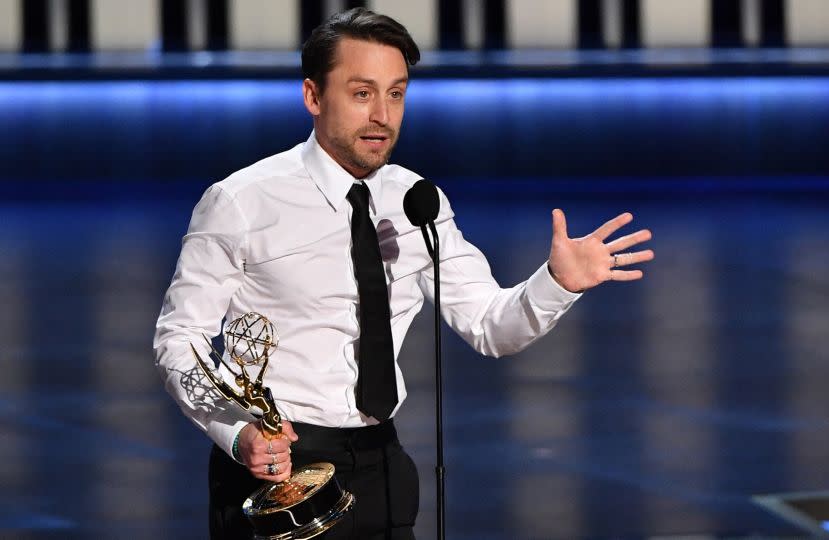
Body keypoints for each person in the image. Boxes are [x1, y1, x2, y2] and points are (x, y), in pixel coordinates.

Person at [153, 7, 654, 540]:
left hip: (381, 466)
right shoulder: (241, 201)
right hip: (278, 467)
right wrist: (236, 432)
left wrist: (556, 282)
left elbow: (489, 326)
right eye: (362, 93)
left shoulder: (417, 201)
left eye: (396, 94)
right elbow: (178, 337)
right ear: (313, 96)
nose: (383, 117)